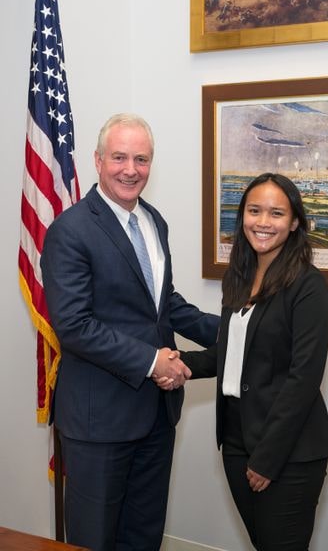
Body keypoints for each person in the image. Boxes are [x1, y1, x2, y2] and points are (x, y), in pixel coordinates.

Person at [40, 113, 219, 551]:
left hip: (156, 416)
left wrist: (237, 329)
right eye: (119, 157)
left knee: (143, 537)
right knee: (94, 540)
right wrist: (152, 360)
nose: (130, 169)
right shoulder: (71, 230)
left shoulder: (154, 221)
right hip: (99, 420)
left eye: (141, 159)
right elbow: (75, 326)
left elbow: (164, 305)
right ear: (98, 161)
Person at [164, 172, 328, 551]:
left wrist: (267, 458)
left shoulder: (308, 286)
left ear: (294, 223)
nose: (263, 222)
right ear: (242, 216)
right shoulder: (239, 278)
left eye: (276, 213)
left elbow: (303, 379)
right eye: (254, 210)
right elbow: (235, 355)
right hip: (237, 440)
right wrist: (180, 365)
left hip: (287, 451)